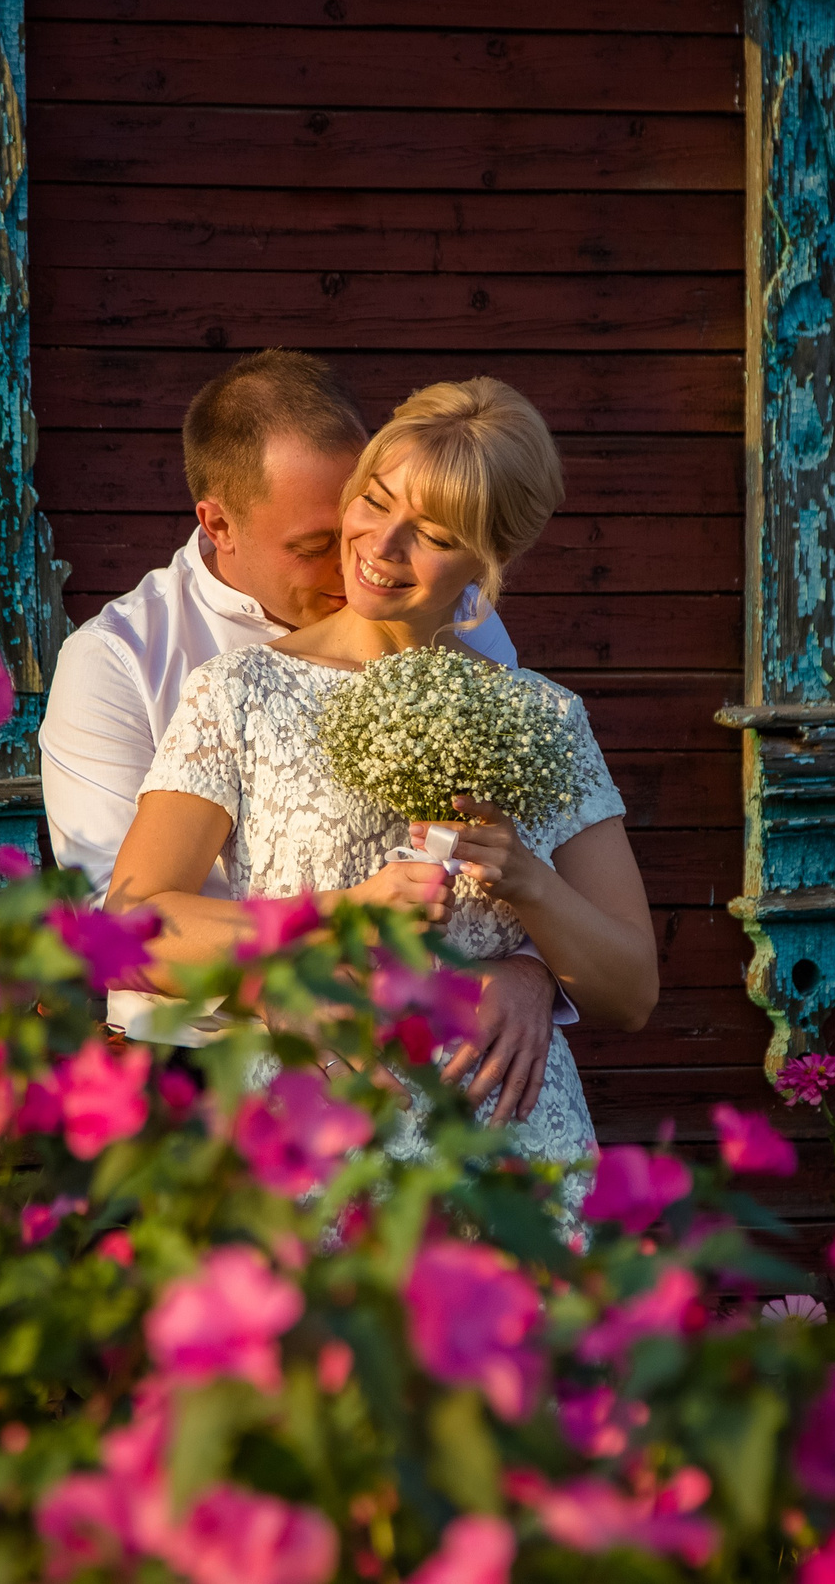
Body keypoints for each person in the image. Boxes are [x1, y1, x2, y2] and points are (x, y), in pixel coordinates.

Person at [105, 377, 658, 1179]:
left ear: (491, 555)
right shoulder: (238, 692)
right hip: (314, 1147)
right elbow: (134, 926)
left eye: (430, 532)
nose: (380, 544)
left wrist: (530, 894)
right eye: (373, 499)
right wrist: (340, 912)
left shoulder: (546, 718)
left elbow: (631, 991)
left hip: (510, 1152)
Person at [37, 350, 575, 1119]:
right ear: (218, 523)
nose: (362, 560)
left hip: (438, 1057)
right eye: (313, 545)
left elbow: (506, 850)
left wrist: (532, 971)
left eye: (365, 513)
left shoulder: (457, 627)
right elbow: (115, 920)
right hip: (198, 1065)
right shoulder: (121, 660)